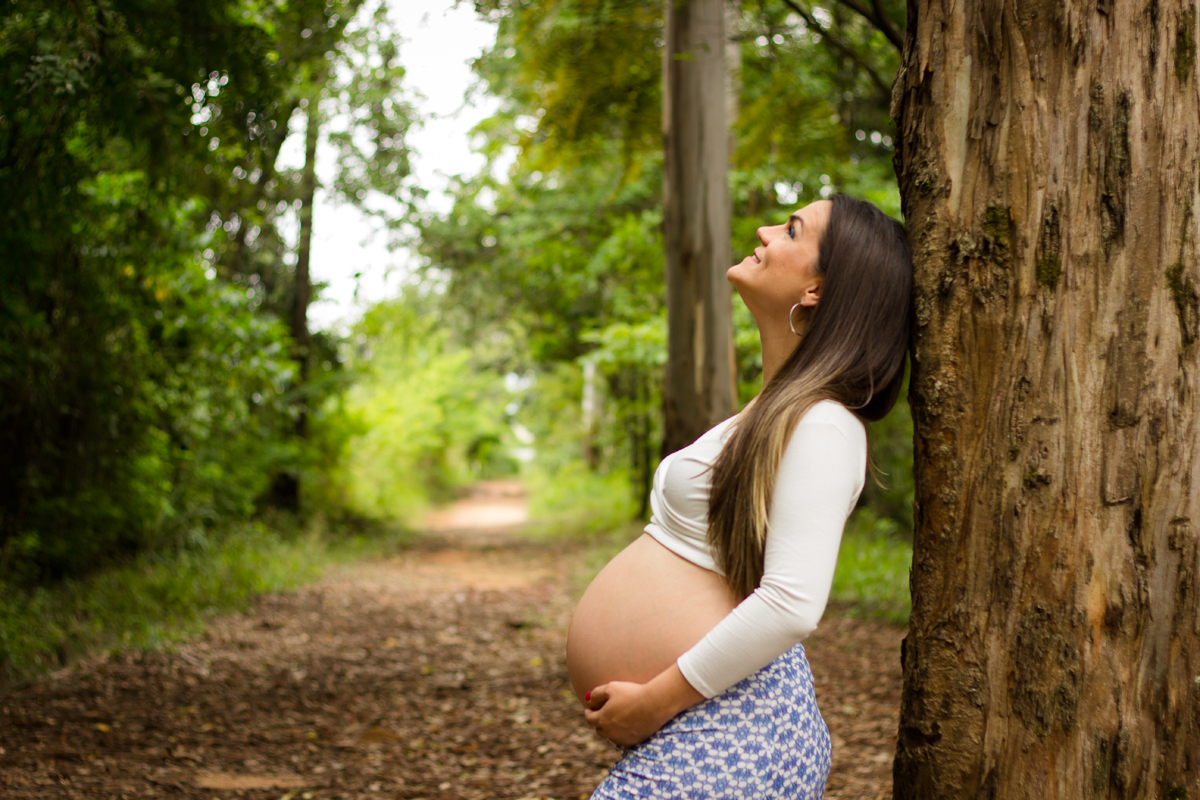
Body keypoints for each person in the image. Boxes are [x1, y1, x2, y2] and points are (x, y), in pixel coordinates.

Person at [565, 194, 912, 798]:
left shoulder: (824, 424)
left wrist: (653, 702)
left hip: (736, 727)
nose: (763, 228)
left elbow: (791, 604)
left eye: (791, 229)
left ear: (818, 291)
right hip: (717, 722)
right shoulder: (776, 411)